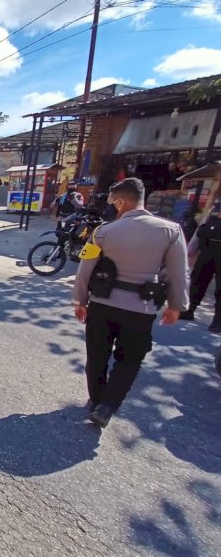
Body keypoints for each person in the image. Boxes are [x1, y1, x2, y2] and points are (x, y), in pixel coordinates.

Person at [73, 177, 189, 428]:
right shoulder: (170, 231)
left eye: (112, 203)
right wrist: (176, 305)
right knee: (129, 360)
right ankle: (107, 407)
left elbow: (85, 269)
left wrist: (79, 300)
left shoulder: (102, 232)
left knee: (96, 355)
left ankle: (96, 400)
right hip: (141, 309)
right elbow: (179, 272)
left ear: (121, 201)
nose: (110, 207)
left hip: (101, 305)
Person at [180, 202, 221, 330]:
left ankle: (218, 322)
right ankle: (189, 311)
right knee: (197, 282)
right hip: (207, 252)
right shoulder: (215, 211)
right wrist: (191, 249)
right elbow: (201, 230)